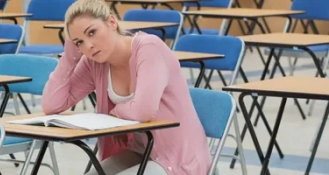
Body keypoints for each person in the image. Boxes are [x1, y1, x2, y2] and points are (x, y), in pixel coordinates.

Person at [40, 0, 211, 174]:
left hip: (178, 158)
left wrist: (115, 114)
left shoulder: (149, 48)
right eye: (79, 42)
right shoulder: (94, 62)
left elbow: (144, 110)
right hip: (139, 151)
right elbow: (52, 105)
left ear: (112, 22)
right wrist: (68, 59)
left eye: (92, 32)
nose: (88, 46)